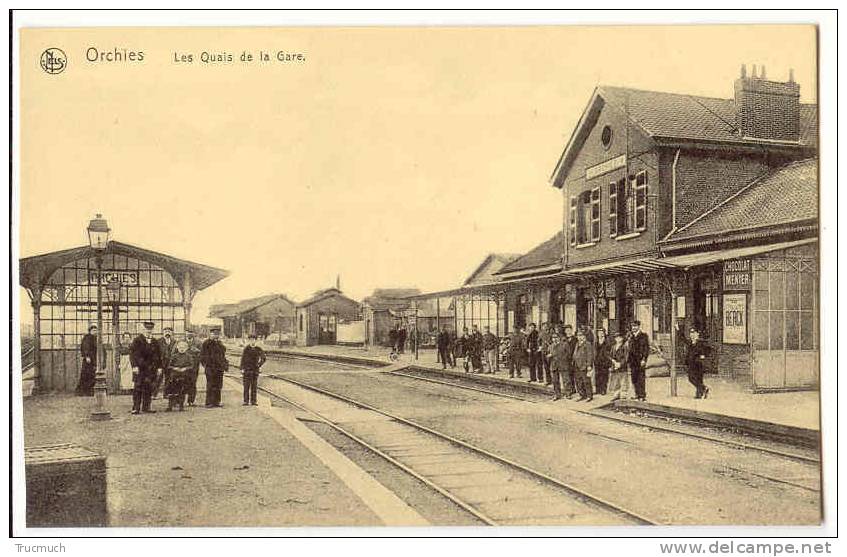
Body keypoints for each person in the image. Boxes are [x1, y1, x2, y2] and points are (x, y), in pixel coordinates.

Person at [129, 321, 162, 414]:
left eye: (150, 330)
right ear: (143, 330)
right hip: (140, 369)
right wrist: (134, 366)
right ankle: (136, 407)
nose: (149, 331)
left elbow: (159, 356)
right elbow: (133, 354)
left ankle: (146, 407)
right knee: (138, 387)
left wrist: (159, 367)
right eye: (147, 330)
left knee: (149, 387)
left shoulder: (155, 342)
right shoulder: (137, 340)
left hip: (151, 369)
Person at [200, 327, 228, 408]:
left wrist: (224, 365)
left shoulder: (220, 344)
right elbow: (202, 356)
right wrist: (205, 365)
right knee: (210, 385)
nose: (215, 336)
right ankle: (209, 402)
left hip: (219, 368)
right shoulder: (206, 343)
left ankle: (217, 401)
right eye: (213, 334)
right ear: (210, 334)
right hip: (210, 368)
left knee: (218, 385)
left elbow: (223, 355)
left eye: (217, 334)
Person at [165, 339, 193, 411]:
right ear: (177, 347)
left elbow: (191, 366)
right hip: (174, 375)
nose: (182, 349)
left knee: (182, 391)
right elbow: (169, 366)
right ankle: (170, 406)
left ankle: (181, 406)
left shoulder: (188, 356)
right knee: (172, 391)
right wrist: (175, 368)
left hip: (184, 375)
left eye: (183, 347)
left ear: (186, 348)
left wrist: (185, 368)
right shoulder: (174, 356)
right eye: (180, 347)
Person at [627, 320, 650, 401]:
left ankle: (642, 395)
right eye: (632, 326)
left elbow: (646, 349)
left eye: (635, 326)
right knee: (634, 378)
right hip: (633, 361)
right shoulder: (631, 337)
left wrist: (644, 359)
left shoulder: (644, 336)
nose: (633, 328)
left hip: (640, 360)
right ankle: (637, 394)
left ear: (639, 327)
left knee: (640, 378)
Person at [240, 335, 267, 406]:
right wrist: (242, 368)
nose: (252, 341)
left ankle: (253, 401)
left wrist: (259, 365)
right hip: (247, 370)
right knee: (246, 386)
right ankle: (246, 401)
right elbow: (242, 359)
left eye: (253, 339)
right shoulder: (246, 349)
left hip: (255, 370)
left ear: (255, 340)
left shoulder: (259, 349)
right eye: (250, 339)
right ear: (249, 340)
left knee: (254, 386)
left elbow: (263, 358)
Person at [685, 327, 711, 399]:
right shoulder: (690, 342)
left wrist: (702, 356)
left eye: (694, 333)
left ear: (698, 334)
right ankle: (702, 390)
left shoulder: (700, 343)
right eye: (691, 333)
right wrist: (678, 329)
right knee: (692, 378)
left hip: (698, 364)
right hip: (691, 363)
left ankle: (701, 391)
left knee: (696, 378)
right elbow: (682, 339)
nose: (692, 335)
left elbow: (707, 350)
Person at [572, 329, 594, 402]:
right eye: (578, 335)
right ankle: (582, 395)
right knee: (578, 381)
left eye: (581, 335)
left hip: (584, 365)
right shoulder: (577, 344)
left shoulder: (587, 344)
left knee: (586, 381)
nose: (579, 337)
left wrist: (589, 365)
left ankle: (589, 396)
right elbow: (575, 354)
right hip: (576, 365)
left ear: (584, 336)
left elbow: (590, 355)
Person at [548, 333, 571, 401]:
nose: (554, 339)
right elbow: (548, 355)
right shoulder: (551, 346)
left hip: (563, 365)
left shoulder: (564, 344)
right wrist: (549, 356)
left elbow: (568, 354)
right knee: (555, 381)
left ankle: (568, 394)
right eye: (553, 338)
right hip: (554, 365)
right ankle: (557, 394)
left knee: (566, 380)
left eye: (556, 337)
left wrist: (562, 359)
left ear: (559, 338)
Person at [76, 324, 98, 396]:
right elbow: (85, 347)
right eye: (93, 330)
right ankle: (83, 391)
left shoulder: (96, 338)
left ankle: (90, 391)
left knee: (92, 375)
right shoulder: (87, 338)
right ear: (90, 331)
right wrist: (87, 356)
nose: (95, 332)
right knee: (86, 375)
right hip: (88, 360)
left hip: (94, 359)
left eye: (96, 330)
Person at [608, 332, 630, 401]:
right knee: (615, 381)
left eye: (619, 337)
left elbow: (626, 358)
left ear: (622, 338)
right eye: (616, 337)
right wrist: (613, 362)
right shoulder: (613, 347)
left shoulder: (624, 347)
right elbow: (610, 356)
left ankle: (623, 395)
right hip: (615, 367)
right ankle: (616, 395)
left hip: (622, 367)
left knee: (623, 381)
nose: (618, 339)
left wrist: (620, 364)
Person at [155, 326, 177, 398]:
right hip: (161, 363)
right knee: (158, 378)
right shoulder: (158, 341)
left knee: (168, 379)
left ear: (172, 333)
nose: (167, 333)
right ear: (163, 333)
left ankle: (166, 394)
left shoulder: (174, 341)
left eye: (169, 332)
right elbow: (156, 353)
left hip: (170, 363)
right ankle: (154, 394)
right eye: (166, 331)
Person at [184, 330, 202, 406]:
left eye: (191, 332)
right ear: (185, 333)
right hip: (183, 366)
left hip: (194, 366)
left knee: (193, 383)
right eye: (188, 332)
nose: (189, 334)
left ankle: (191, 401)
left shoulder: (198, 342)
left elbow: (203, 353)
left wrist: (198, 351)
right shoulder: (181, 342)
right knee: (182, 383)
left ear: (193, 334)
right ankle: (179, 401)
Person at [593, 328, 613, 395]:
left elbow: (610, 352)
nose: (600, 334)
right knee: (597, 375)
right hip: (597, 361)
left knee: (604, 376)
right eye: (599, 333)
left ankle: (603, 390)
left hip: (604, 362)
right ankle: (598, 389)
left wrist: (609, 363)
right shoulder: (596, 342)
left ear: (604, 333)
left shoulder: (607, 342)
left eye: (602, 333)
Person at [561, 325, 578, 398]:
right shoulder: (563, 339)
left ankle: (574, 389)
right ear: (565, 331)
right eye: (567, 330)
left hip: (573, 359)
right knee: (567, 375)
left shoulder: (576, 339)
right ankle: (570, 390)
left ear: (572, 330)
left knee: (574, 374)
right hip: (565, 360)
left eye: (569, 330)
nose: (568, 331)